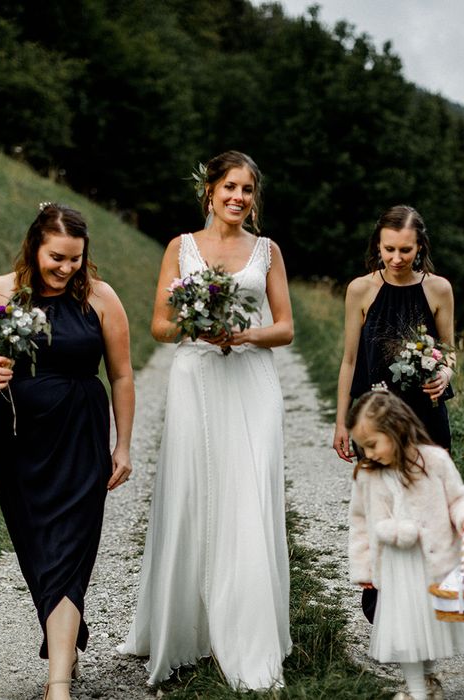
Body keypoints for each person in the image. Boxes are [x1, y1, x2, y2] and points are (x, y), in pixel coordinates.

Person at [118, 151, 294, 690]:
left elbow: (285, 327)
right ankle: (187, 627)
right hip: (195, 376)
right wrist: (197, 327)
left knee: (248, 490)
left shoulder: (267, 251)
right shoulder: (181, 247)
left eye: (247, 190)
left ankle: (249, 632)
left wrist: (241, 335)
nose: (238, 198)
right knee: (194, 491)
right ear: (209, 191)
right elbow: (158, 326)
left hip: (252, 379)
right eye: (230, 187)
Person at [0, 203, 134, 700]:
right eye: (56, 257)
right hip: (17, 442)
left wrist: (122, 444)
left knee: (69, 550)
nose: (66, 268)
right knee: (38, 549)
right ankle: (66, 645)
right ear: (35, 246)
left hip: (81, 438)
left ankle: (57, 682)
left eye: (75, 260)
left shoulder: (101, 299)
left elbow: (122, 375)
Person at [333, 205, 455, 623]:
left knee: (427, 510)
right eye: (389, 249)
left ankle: (425, 602)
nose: (397, 258)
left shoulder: (438, 289)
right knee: (381, 509)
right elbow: (350, 360)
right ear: (378, 246)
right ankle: (382, 600)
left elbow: (450, 352)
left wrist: (444, 372)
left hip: (426, 419)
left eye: (406, 250)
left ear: (420, 247)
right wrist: (342, 421)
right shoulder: (360, 290)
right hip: (375, 422)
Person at [347, 388, 464, 700]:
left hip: (432, 563)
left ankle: (427, 677)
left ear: (395, 429)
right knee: (406, 630)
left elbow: (459, 496)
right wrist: (364, 568)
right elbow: (359, 524)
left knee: (430, 627)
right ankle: (415, 690)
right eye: (363, 447)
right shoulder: (367, 476)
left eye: (372, 445)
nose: (368, 454)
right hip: (397, 566)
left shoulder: (434, 461)